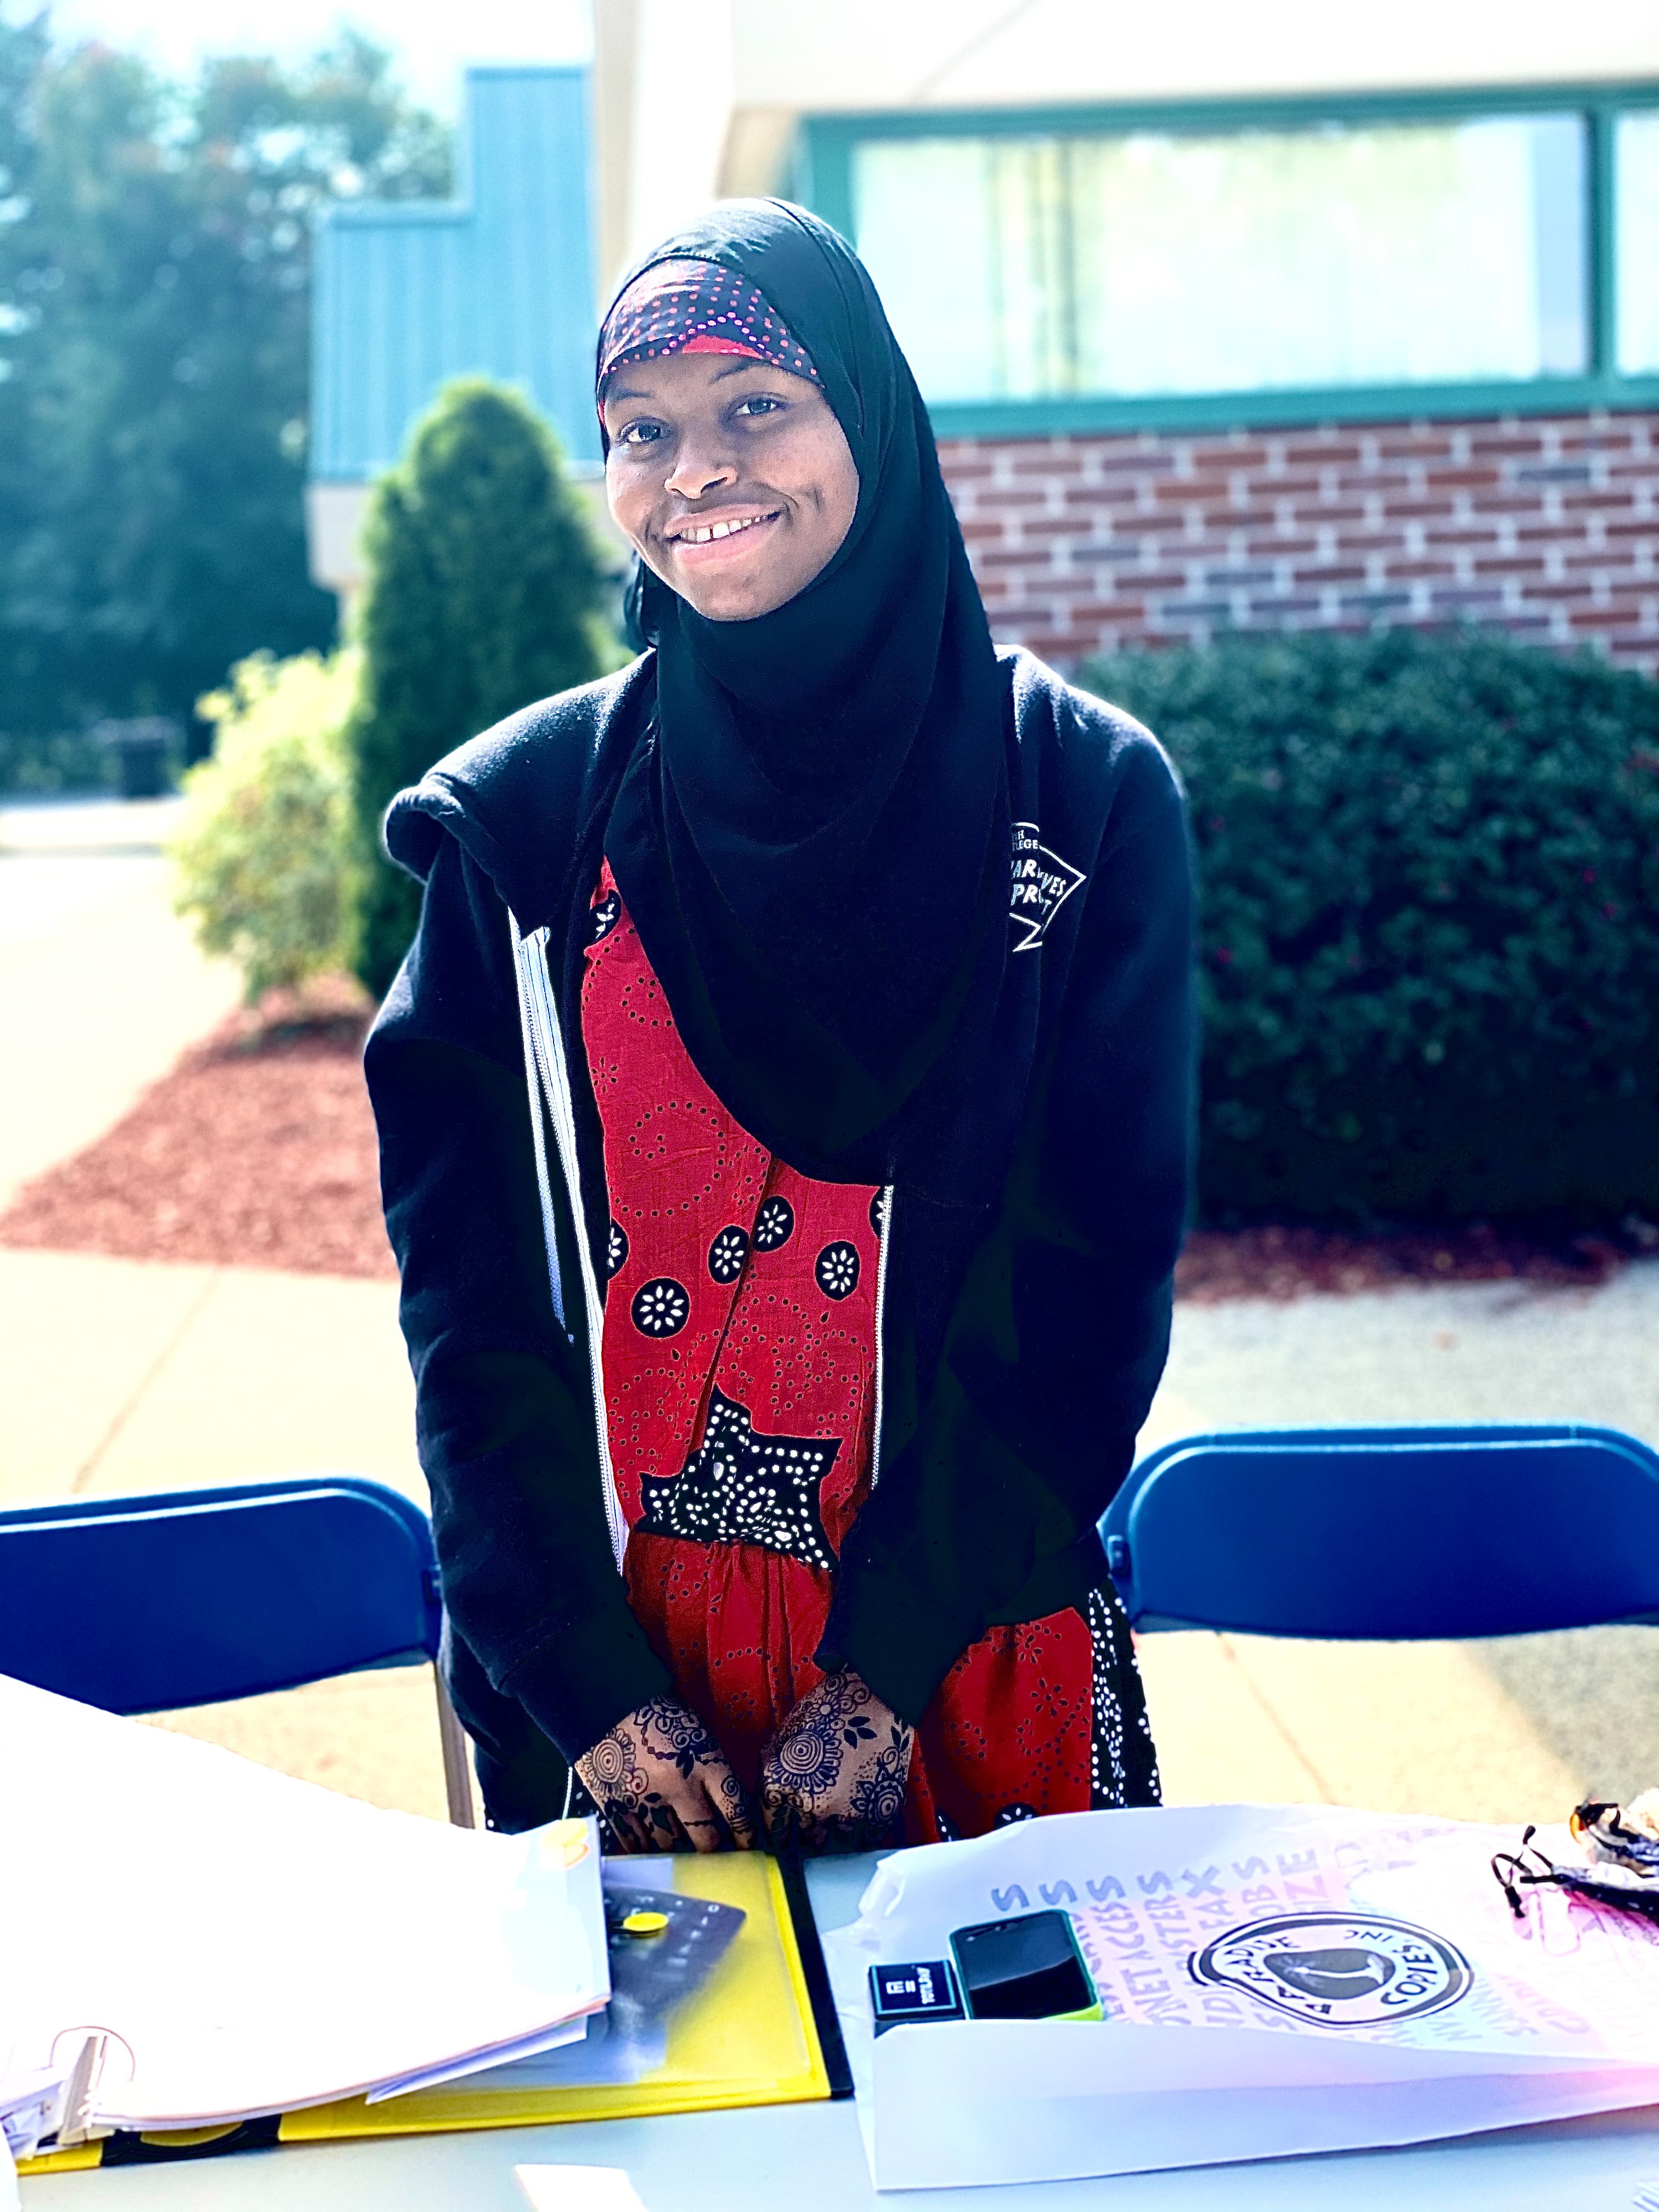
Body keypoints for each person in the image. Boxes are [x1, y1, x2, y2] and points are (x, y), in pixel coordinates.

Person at [365, 200, 1194, 1853]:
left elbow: (1088, 1280)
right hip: (615, 1707)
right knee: (633, 2118)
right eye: (642, 431)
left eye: (759, 404)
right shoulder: (521, 834)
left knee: (1011, 2100)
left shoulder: (1082, 800)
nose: (698, 472)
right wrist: (583, 1682)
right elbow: (471, 1314)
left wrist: (885, 1674)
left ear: (868, 418)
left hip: (968, 1661)